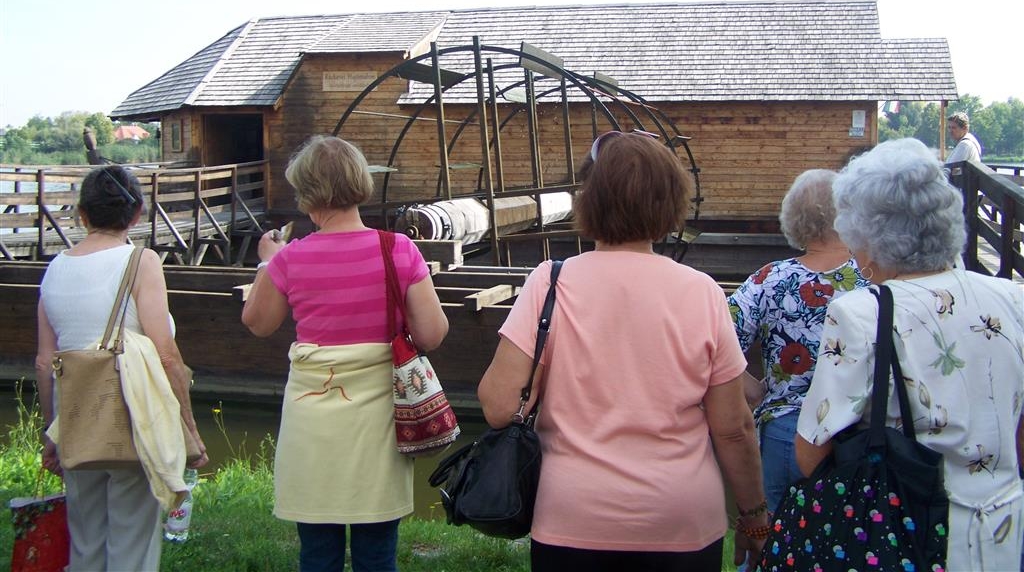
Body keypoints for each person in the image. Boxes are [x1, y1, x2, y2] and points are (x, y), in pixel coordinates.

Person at [478, 130, 769, 572]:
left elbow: (499, 407)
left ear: (587, 198)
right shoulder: (702, 292)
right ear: (671, 203)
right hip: (681, 519)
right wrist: (754, 517)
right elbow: (733, 429)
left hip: (573, 515)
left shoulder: (549, 283)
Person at [795, 137, 1024, 571]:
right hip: (1002, 527)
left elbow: (812, 450)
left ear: (868, 234)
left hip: (905, 534)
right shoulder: (1013, 297)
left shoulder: (862, 312)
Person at [241, 135, 449, 572]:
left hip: (312, 420)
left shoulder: (290, 258)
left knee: (318, 552)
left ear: (306, 192)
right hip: (379, 422)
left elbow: (258, 324)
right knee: (377, 553)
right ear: (359, 183)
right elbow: (432, 334)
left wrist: (267, 262)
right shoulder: (398, 249)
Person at [35, 164, 208, 572]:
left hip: (74, 415)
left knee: (85, 541)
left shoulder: (54, 268)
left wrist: (51, 432)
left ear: (82, 214)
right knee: (132, 541)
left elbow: (44, 362)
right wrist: (189, 427)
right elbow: (166, 354)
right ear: (137, 213)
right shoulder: (140, 262)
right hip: (132, 412)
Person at [729, 169, 869, 515]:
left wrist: (754, 390)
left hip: (784, 432)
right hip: (854, 433)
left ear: (793, 217)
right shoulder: (871, 279)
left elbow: (716, 345)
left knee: (776, 535)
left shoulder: (769, 279)